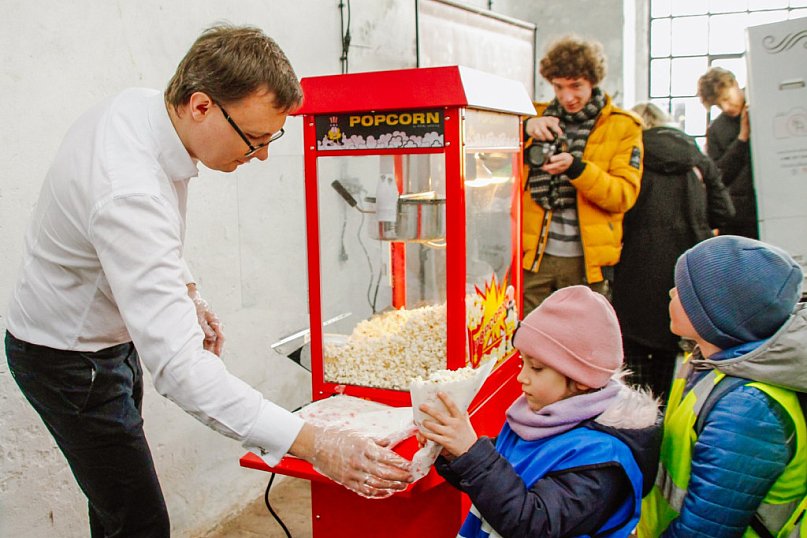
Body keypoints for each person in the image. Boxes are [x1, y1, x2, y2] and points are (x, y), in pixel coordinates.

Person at [4, 24, 411, 537]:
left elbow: (151, 239)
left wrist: (187, 292)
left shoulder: (143, 109)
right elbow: (179, 370)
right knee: (139, 521)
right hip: (67, 358)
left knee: (113, 503)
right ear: (201, 105)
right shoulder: (128, 189)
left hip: (104, 339)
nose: (261, 155)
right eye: (255, 139)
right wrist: (316, 444)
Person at [418, 286, 660, 538]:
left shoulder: (602, 461)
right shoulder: (539, 419)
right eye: (523, 363)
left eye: (537, 368)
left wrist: (472, 453)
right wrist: (456, 456)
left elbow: (534, 524)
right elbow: (502, 482)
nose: (522, 378)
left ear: (581, 379)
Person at [639, 235, 807, 537]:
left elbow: (705, 532)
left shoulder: (747, 412)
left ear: (713, 317)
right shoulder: (707, 361)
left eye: (686, 292)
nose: (671, 292)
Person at [612, 102, 734, 402]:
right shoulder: (694, 156)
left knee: (634, 367)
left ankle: (637, 431)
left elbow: (616, 210)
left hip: (634, 269)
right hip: (685, 273)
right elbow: (725, 211)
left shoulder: (631, 156)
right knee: (671, 357)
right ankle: (666, 421)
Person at [521, 35, 643, 312]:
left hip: (587, 264)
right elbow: (494, 155)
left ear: (593, 80)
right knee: (528, 342)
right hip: (533, 259)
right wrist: (526, 126)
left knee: (580, 346)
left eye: (576, 86)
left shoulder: (623, 126)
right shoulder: (532, 115)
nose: (567, 97)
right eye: (559, 87)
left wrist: (576, 169)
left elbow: (623, 196)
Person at [697, 67, 759, 239]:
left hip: (774, 202)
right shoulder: (717, 129)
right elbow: (719, 175)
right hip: (740, 215)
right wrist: (742, 138)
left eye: (726, 98)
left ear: (735, 84)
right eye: (718, 104)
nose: (726, 107)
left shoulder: (762, 107)